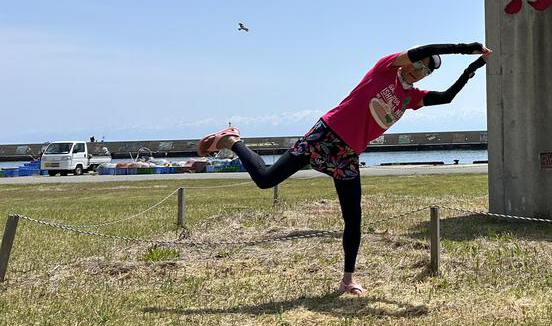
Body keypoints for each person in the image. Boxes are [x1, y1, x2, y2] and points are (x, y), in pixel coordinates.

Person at [195, 42, 491, 297]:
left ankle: (348, 279)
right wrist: (463, 48)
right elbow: (425, 49)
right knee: (265, 179)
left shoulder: (411, 98)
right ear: (408, 60)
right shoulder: (384, 69)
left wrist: (473, 67)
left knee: (354, 218)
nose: (418, 70)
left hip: (347, 155)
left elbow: (447, 97)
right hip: (324, 136)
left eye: (425, 70)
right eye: (417, 63)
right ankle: (232, 141)